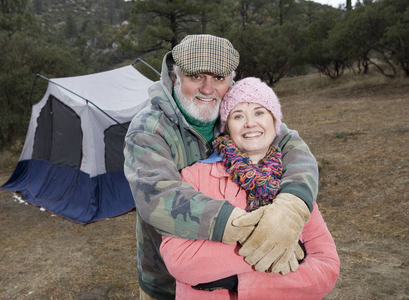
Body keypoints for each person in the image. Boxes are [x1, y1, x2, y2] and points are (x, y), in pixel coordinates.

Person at [124, 34, 319, 300]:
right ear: (175, 74)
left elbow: (293, 147)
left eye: (219, 78)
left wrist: (292, 204)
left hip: (242, 278)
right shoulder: (149, 129)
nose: (208, 88)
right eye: (196, 77)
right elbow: (156, 196)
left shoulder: (237, 111)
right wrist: (248, 226)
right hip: (168, 280)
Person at [159, 77, 340, 299]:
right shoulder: (193, 177)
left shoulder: (292, 180)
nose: (250, 123)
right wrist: (275, 250)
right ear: (226, 128)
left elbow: (326, 267)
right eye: (238, 116)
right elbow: (179, 258)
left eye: (259, 112)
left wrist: (244, 282)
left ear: (275, 122)